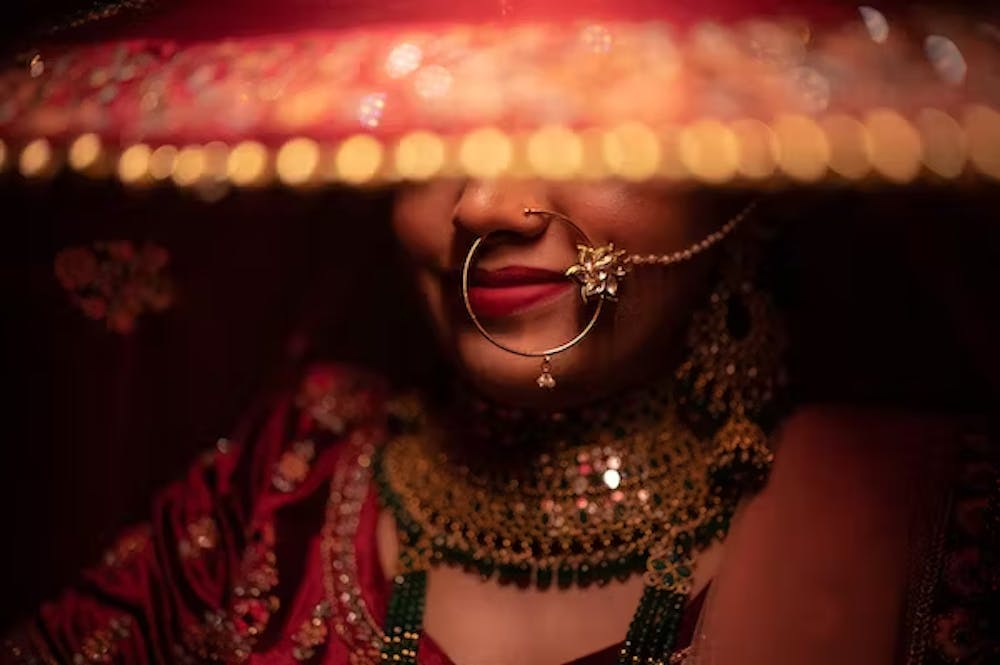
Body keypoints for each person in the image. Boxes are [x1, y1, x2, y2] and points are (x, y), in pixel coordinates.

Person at [2, 2, 997, 664]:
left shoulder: (925, 511)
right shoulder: (277, 490)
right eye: (431, 136)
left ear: (752, 179)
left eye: (585, 127)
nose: (486, 204)